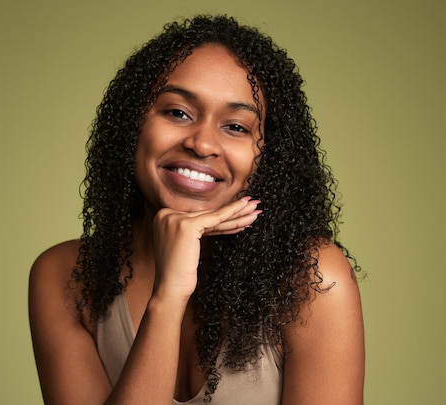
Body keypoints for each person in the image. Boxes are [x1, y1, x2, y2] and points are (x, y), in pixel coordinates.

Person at [29, 15, 365, 405]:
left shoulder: (313, 280)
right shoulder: (66, 277)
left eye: (236, 127)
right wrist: (169, 295)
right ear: (132, 124)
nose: (202, 144)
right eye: (178, 113)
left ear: (267, 157)